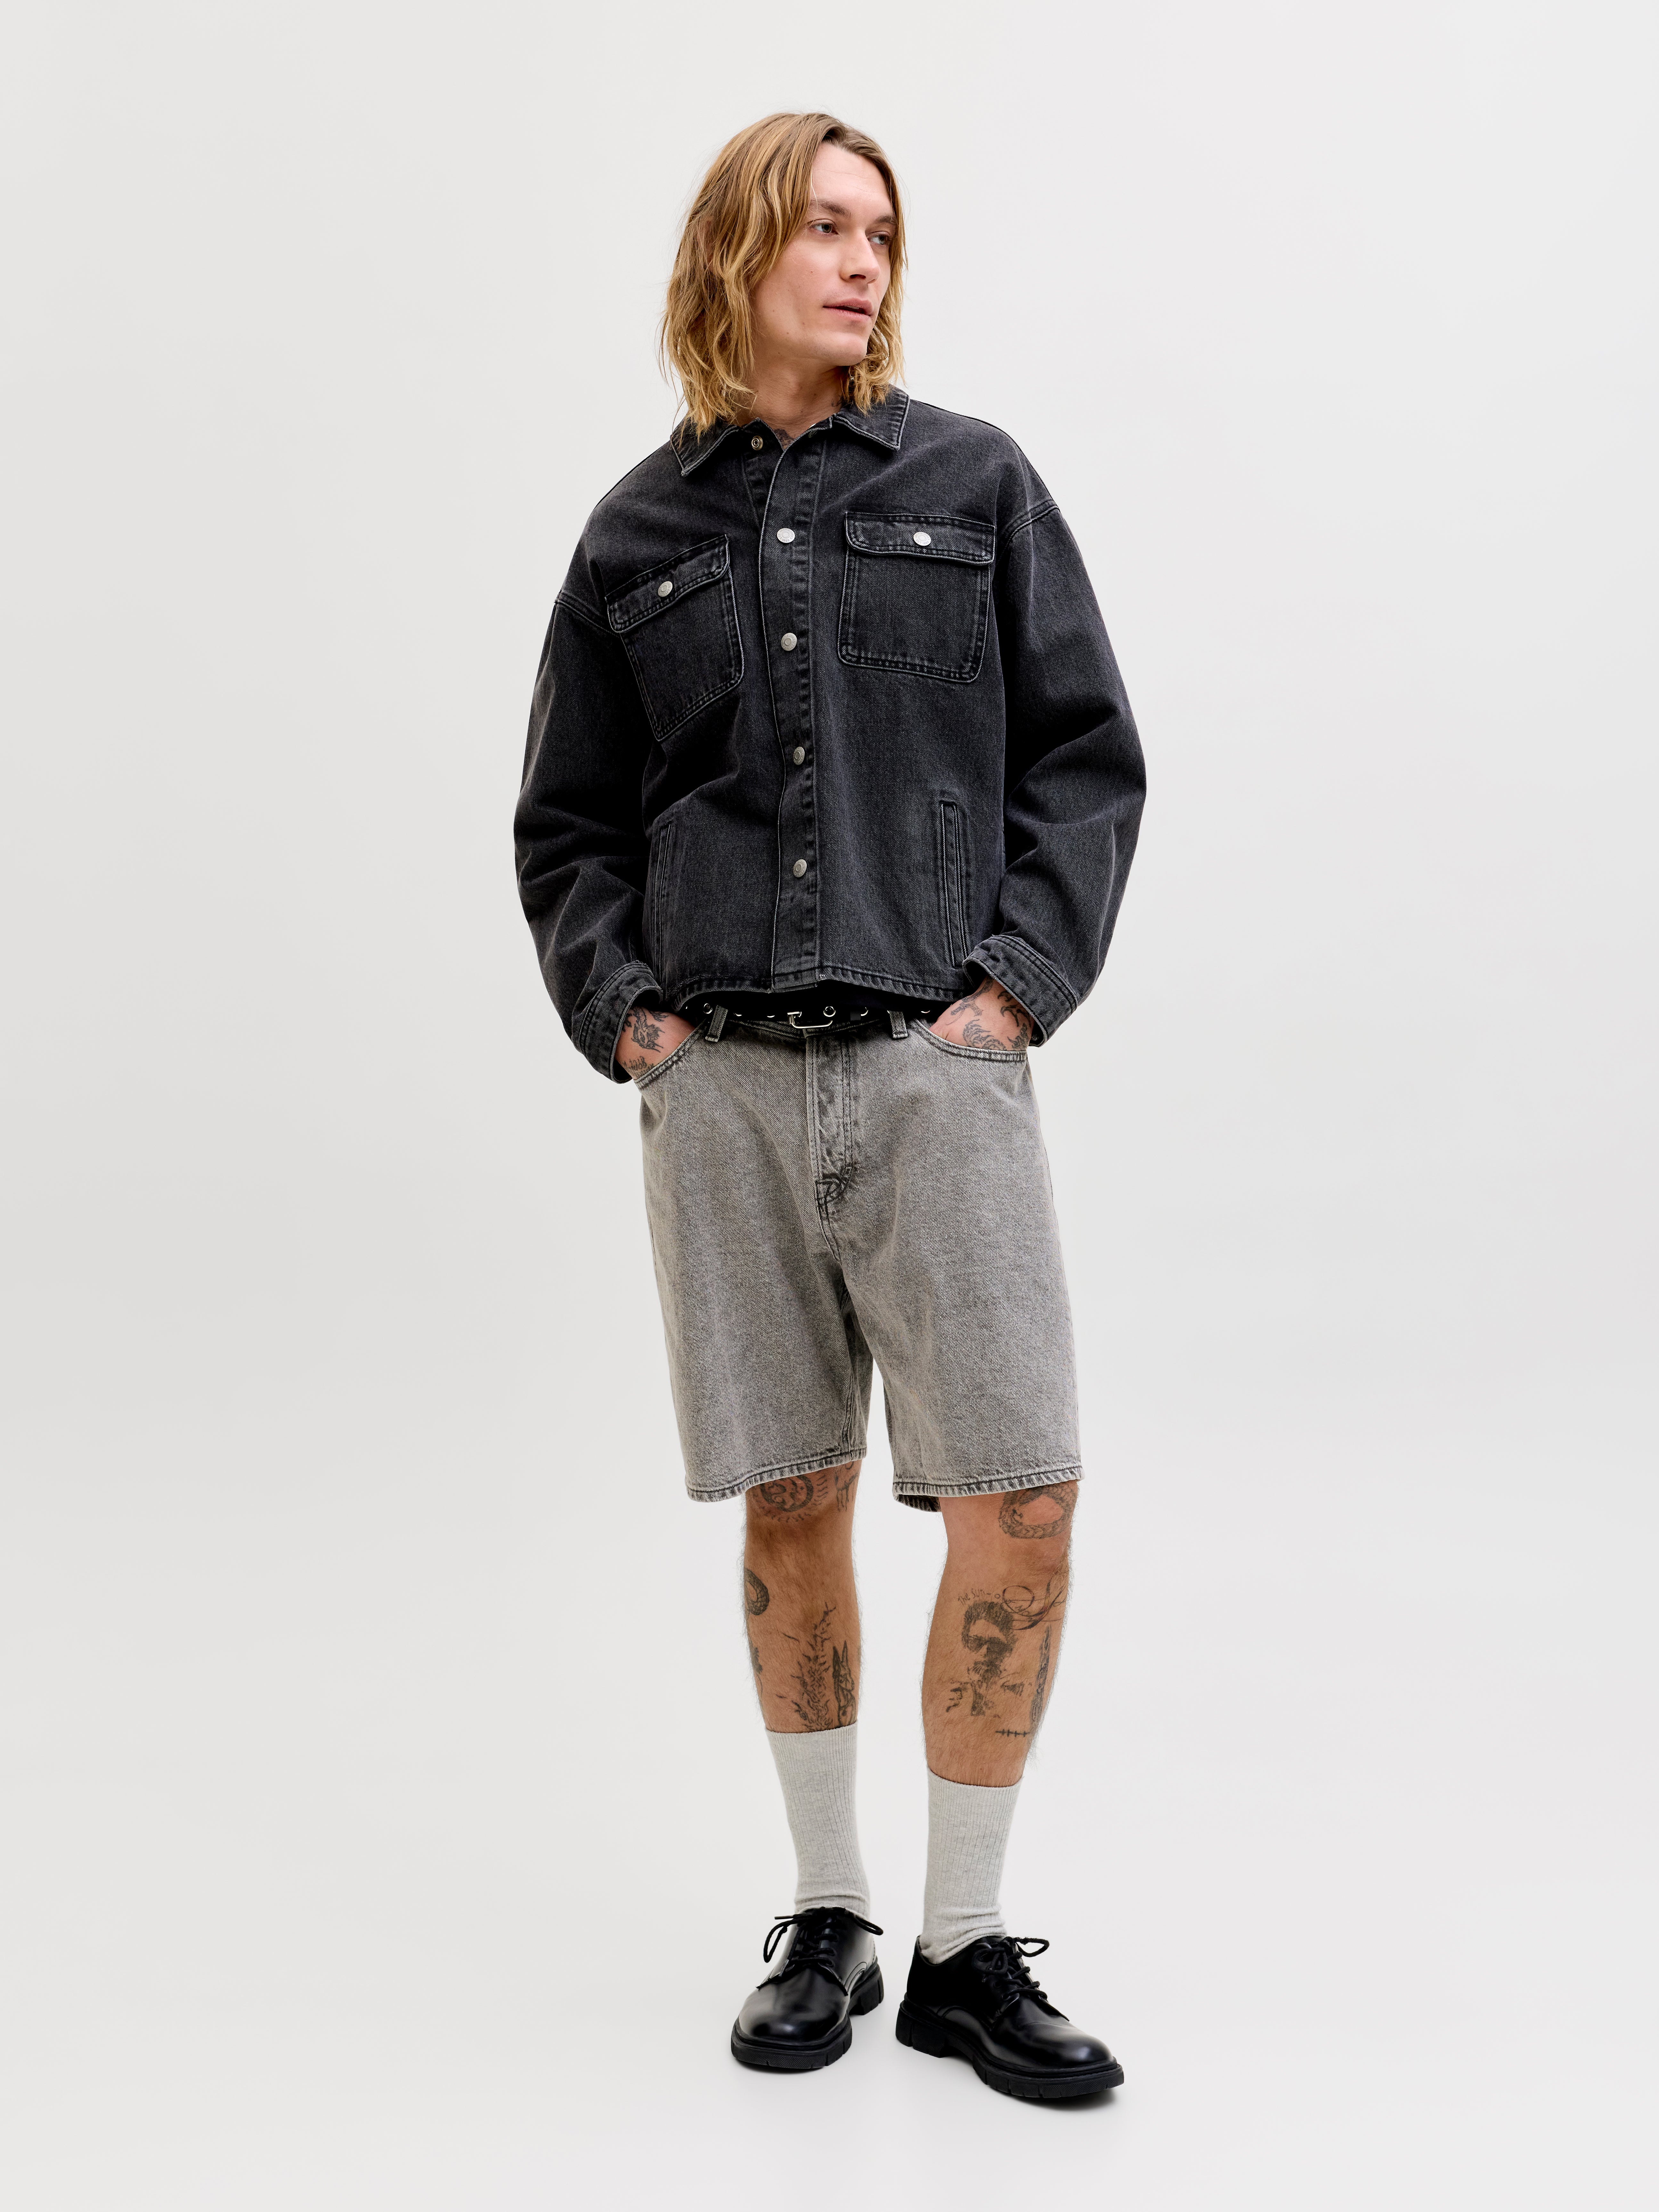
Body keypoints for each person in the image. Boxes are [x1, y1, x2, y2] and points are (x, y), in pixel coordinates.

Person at [515, 111, 1145, 2101]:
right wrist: (634, 1021)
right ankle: (832, 1910)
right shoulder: (634, 536)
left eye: (883, 233)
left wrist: (1014, 988)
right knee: (792, 1500)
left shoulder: (975, 484)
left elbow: (1085, 759)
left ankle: (965, 1943)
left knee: (1022, 1502)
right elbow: (568, 825)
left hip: (935, 1072)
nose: (865, 264)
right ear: (739, 252)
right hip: (721, 1087)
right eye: (826, 229)